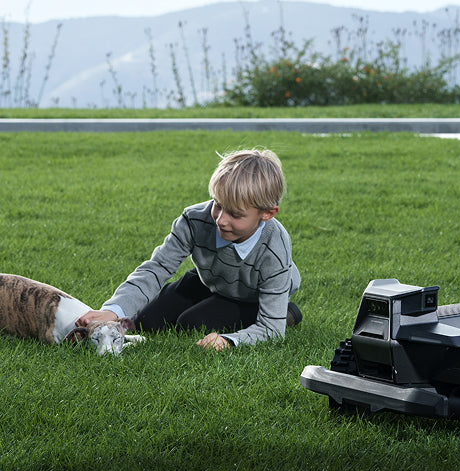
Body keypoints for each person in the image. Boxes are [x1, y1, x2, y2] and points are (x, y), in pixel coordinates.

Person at [76, 148, 301, 351]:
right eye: (218, 205)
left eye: (235, 214)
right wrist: (112, 311)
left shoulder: (275, 247)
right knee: (145, 322)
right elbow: (157, 268)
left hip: (251, 293)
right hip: (211, 279)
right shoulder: (194, 220)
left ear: (267, 213)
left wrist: (230, 339)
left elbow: (272, 331)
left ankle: (288, 312)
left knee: (190, 324)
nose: (221, 220)